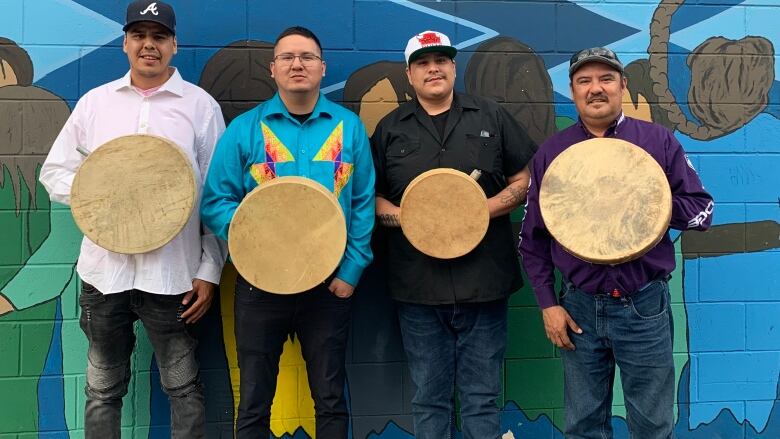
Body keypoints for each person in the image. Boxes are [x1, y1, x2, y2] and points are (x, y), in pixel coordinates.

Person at [38, 1, 227, 437]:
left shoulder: (199, 107)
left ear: (174, 45)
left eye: (159, 36)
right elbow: (55, 172)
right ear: (125, 43)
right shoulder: (96, 104)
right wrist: (104, 197)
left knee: (184, 390)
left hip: (173, 278)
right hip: (105, 278)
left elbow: (217, 196)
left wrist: (209, 269)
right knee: (103, 391)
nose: (149, 45)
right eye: (139, 36)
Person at [518, 47, 714, 439]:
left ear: (623, 85)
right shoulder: (553, 154)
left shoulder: (657, 142)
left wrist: (645, 200)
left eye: (606, 79)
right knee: (583, 424)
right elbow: (532, 240)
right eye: (584, 81)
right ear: (572, 91)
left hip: (643, 305)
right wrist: (548, 304)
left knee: (652, 424)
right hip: (577, 308)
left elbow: (702, 211)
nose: (596, 89)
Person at [199, 26, 375, 439]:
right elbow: (215, 202)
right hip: (260, 286)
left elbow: (364, 203)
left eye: (307, 57)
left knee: (330, 399)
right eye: (288, 57)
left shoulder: (349, 129)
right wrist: (255, 233)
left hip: (329, 288)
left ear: (322, 67)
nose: (298, 64)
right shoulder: (244, 130)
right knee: (255, 400)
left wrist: (350, 273)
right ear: (273, 69)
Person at [370, 30, 537, 439]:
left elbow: (526, 177)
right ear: (410, 74)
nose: (433, 69)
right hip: (417, 288)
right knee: (429, 398)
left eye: (441, 60)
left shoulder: (491, 116)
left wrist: (480, 210)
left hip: (485, 282)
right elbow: (370, 198)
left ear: (453, 67)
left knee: (482, 397)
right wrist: (415, 221)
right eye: (423, 63)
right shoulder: (390, 130)